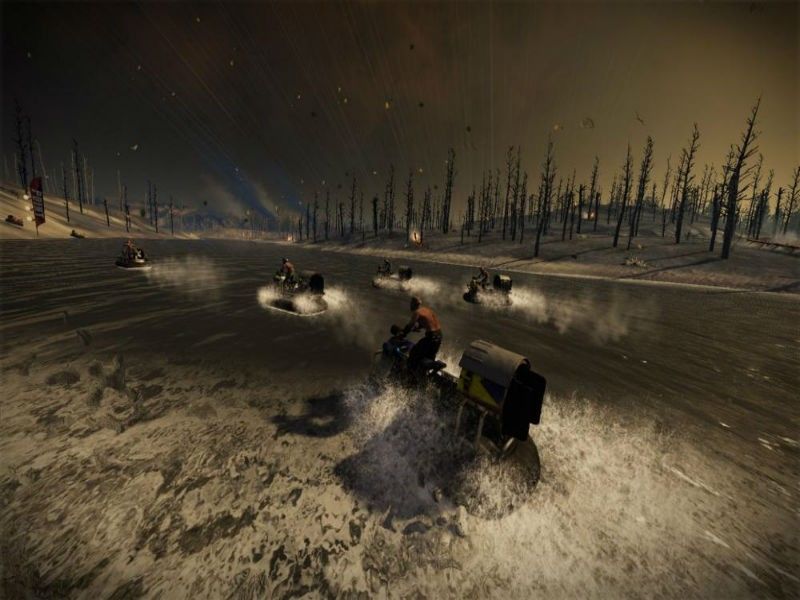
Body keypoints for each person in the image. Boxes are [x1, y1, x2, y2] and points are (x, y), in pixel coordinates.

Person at [403, 296, 442, 372]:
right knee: (428, 357)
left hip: (431, 338)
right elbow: (430, 323)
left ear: (413, 304)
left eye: (411, 303)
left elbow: (410, 325)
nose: (410, 305)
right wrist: (417, 327)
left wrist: (403, 332)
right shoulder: (427, 310)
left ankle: (409, 373)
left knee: (414, 352)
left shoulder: (417, 312)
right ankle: (426, 373)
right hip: (439, 337)